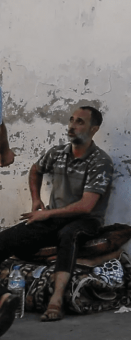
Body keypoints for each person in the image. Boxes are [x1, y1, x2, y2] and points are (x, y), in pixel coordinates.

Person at [0, 106, 113, 321]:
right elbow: (35, 170)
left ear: (94, 129)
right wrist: (36, 199)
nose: (72, 125)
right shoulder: (57, 152)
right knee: (6, 239)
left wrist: (48, 215)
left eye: (80, 121)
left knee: (69, 235)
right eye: (71, 120)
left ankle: (56, 300)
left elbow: (86, 206)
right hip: (53, 218)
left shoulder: (100, 161)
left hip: (86, 221)